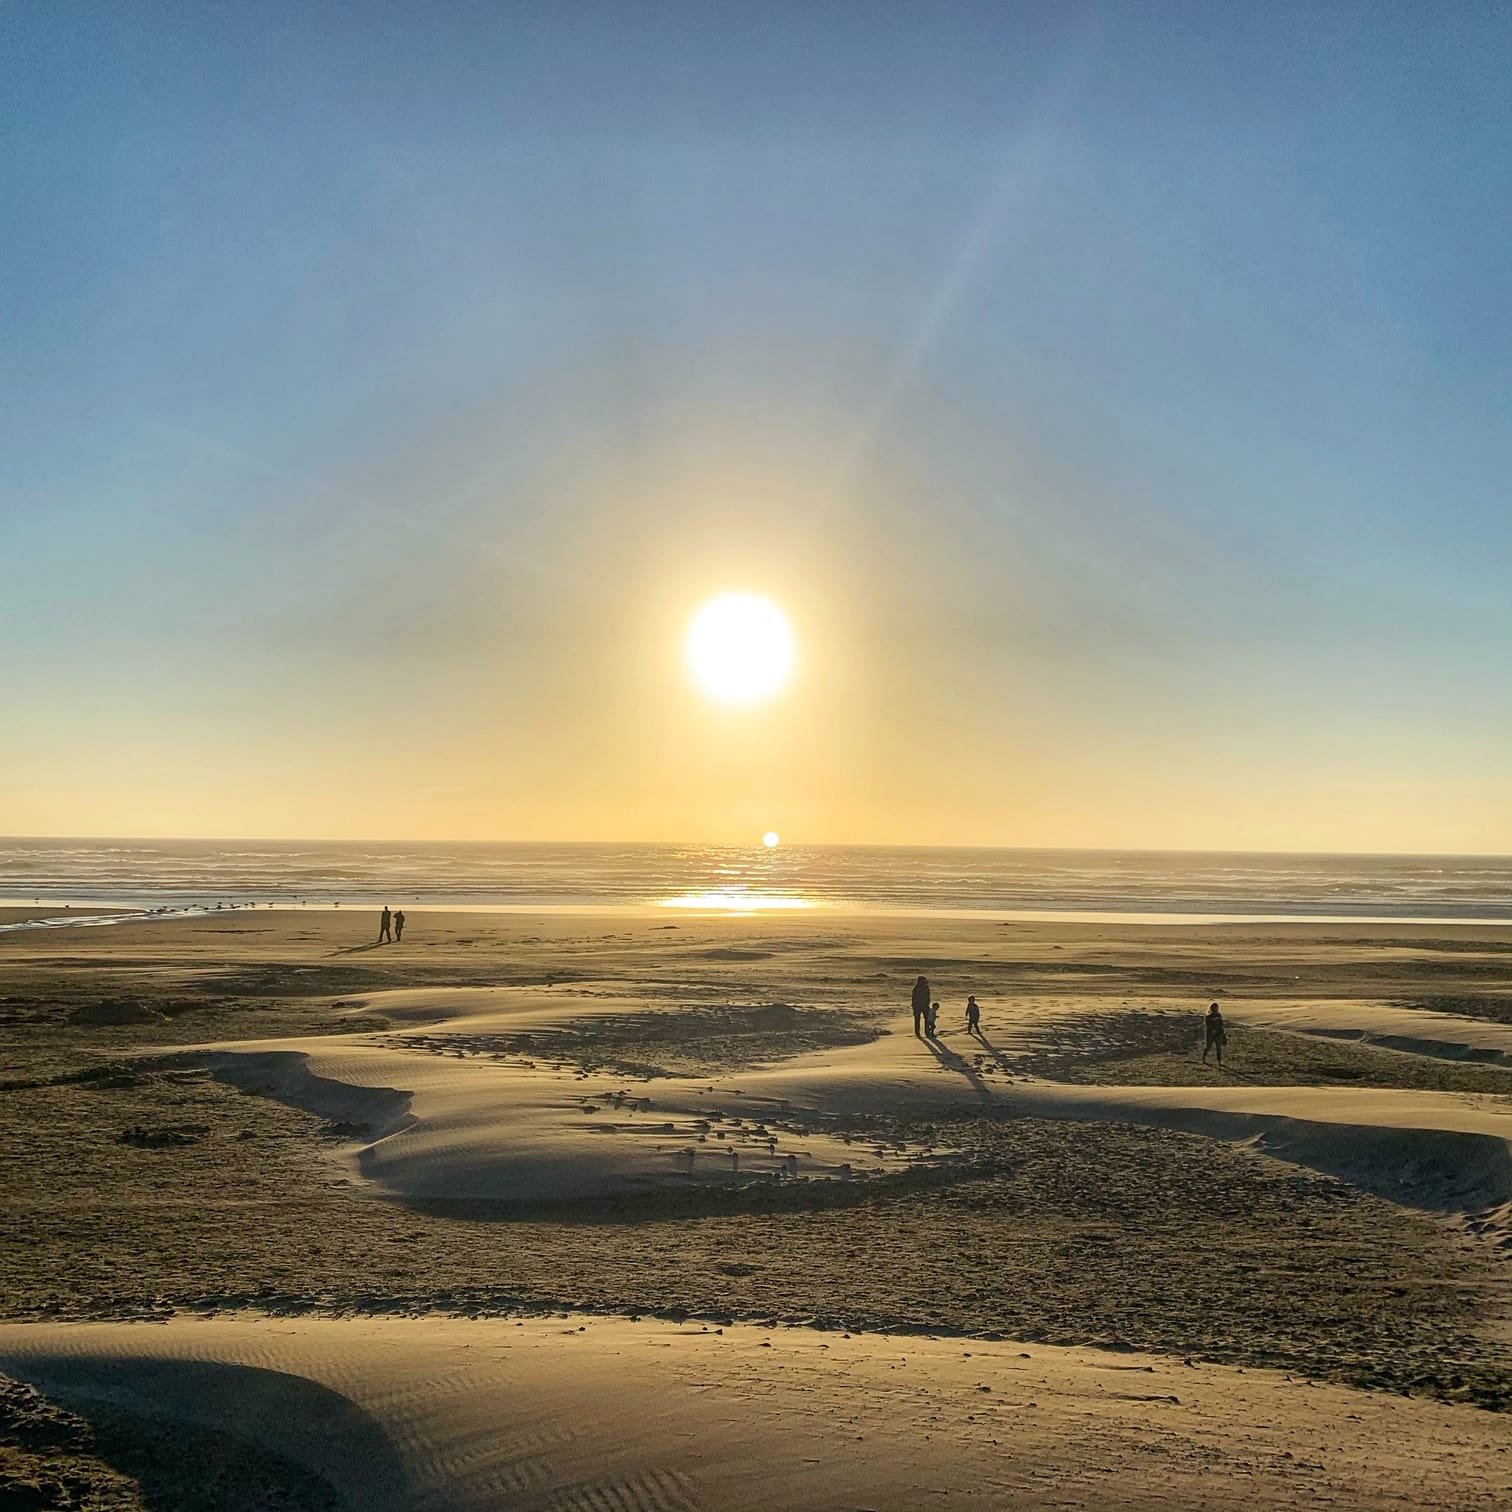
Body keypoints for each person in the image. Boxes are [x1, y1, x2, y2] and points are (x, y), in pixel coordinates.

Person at [1202, 1001, 1227, 1066]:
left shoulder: (1219, 1015)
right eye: (1214, 1008)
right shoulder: (1208, 1016)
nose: (1216, 1009)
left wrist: (1223, 1033)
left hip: (1218, 1034)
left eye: (1216, 1008)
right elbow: (1208, 1025)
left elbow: (1221, 1024)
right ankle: (1203, 1058)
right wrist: (1213, 1030)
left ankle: (1219, 1062)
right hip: (1210, 1034)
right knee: (1208, 1047)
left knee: (1218, 1048)